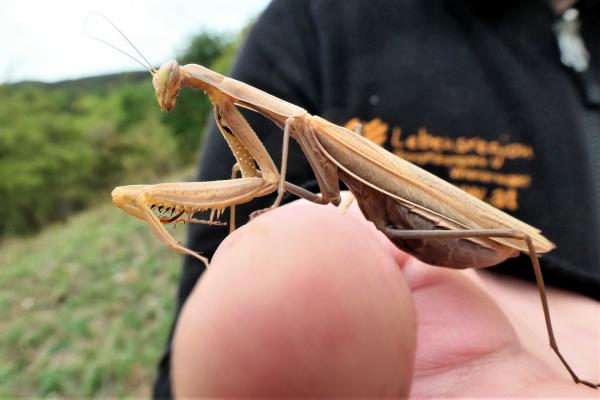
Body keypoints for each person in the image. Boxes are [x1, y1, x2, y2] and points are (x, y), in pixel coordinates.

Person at [153, 0, 600, 397]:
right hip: (395, 293)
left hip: (467, 239)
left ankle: (561, 353)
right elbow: (218, 299)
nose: (168, 89)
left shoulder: (302, 122)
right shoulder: (307, 22)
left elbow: (272, 187)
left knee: (518, 238)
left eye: (172, 79)